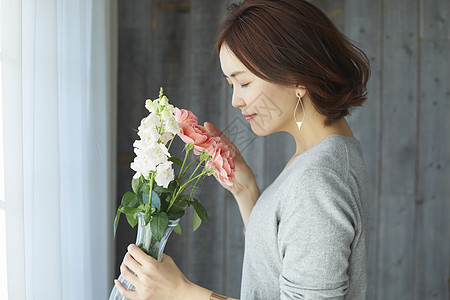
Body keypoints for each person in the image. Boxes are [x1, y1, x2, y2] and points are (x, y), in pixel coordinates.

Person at [114, 0, 370, 299]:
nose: (236, 101)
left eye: (244, 82)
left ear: (298, 76)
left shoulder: (317, 179)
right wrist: (245, 189)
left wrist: (180, 292)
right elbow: (278, 261)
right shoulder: (324, 154)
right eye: (230, 84)